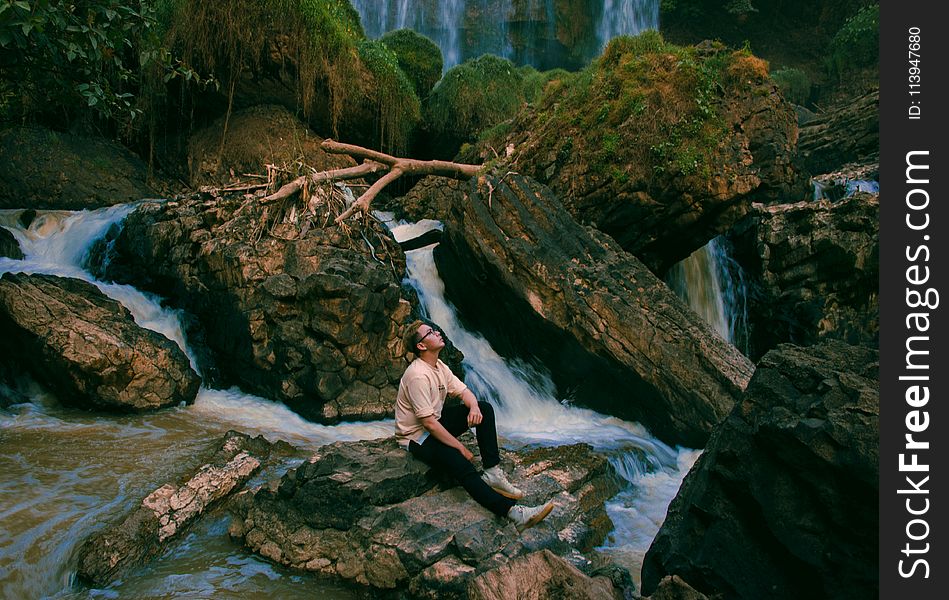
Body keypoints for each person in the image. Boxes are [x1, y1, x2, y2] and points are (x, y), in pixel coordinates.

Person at [395, 319, 554, 531]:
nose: (437, 332)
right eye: (430, 332)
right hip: (416, 436)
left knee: (485, 409)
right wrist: (460, 448)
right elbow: (430, 425)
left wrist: (474, 408)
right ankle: (514, 513)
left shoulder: (439, 366)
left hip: (434, 424)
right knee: (461, 463)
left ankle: (492, 472)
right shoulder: (417, 375)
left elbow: (464, 392)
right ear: (421, 346)